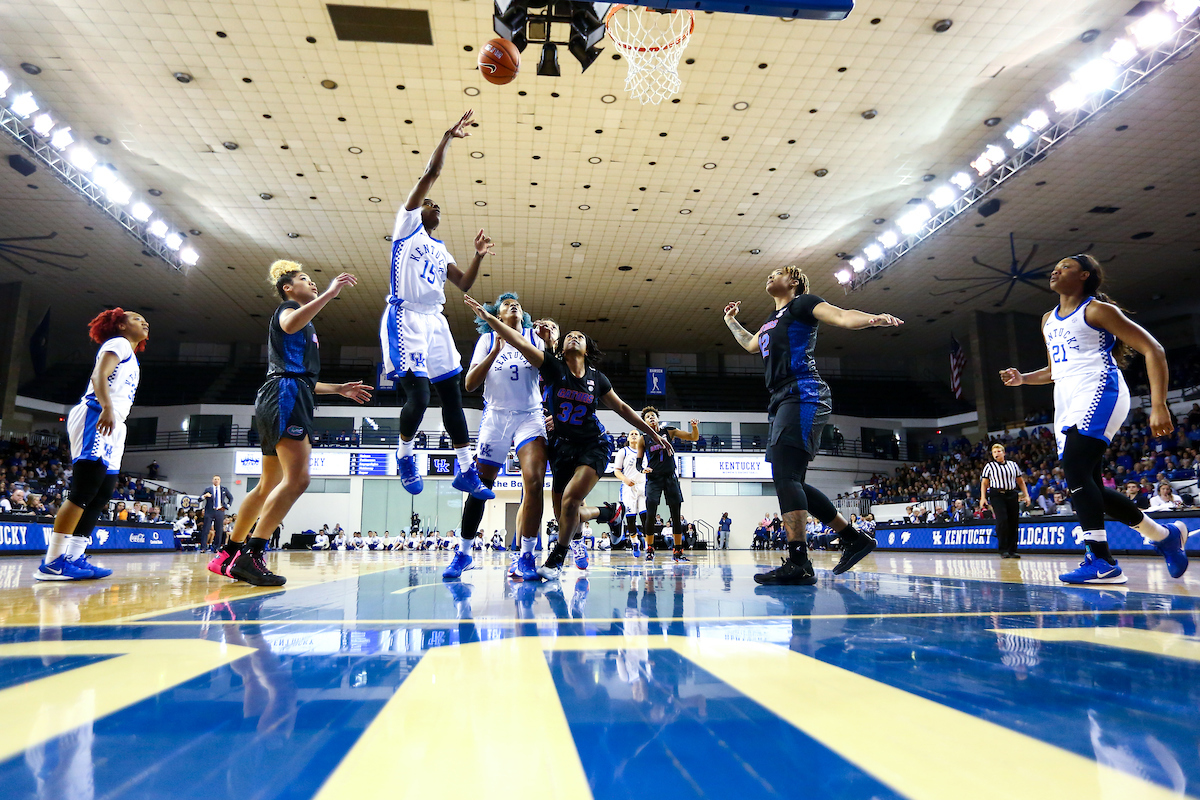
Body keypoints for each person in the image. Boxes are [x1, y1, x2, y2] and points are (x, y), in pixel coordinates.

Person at [1000, 253, 1188, 584]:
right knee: (1090, 487)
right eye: (1055, 266)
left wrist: (1160, 404)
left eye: (1066, 267)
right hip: (1067, 399)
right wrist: (1024, 379)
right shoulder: (1048, 319)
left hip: (1100, 388)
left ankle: (1100, 560)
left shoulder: (1097, 311)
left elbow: (1153, 349)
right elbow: (1056, 370)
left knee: (1073, 468)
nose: (1055, 270)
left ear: (1085, 275)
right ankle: (1163, 536)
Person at [464, 295, 669, 581]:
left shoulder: (590, 375)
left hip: (589, 443)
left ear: (585, 348)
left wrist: (653, 434)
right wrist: (493, 324)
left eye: (577, 336)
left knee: (562, 499)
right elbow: (522, 346)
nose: (572, 337)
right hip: (556, 441)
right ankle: (606, 515)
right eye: (567, 335)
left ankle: (556, 553)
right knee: (560, 509)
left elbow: (622, 408)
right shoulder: (548, 363)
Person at [723, 265, 899, 585]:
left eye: (776, 273)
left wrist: (873, 318)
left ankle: (799, 563)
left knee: (785, 475)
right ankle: (853, 538)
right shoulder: (770, 322)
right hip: (780, 399)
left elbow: (843, 316)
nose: (769, 276)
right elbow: (751, 345)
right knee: (793, 482)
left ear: (793, 281)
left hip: (803, 392)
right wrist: (730, 320)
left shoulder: (803, 304)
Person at [207, 261, 371, 586]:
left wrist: (338, 389)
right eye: (304, 279)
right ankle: (252, 553)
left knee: (268, 484)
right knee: (298, 479)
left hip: (285, 393)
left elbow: (302, 374)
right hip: (285, 396)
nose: (311, 283)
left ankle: (229, 552)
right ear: (288, 288)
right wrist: (329, 293)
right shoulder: (289, 309)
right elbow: (290, 323)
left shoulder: (302, 321)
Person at [381, 109, 494, 503]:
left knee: (452, 396)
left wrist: (478, 255)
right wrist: (446, 139)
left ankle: (466, 470)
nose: (435, 206)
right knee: (421, 397)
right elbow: (430, 175)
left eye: (436, 206)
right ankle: (405, 455)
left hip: (436, 321)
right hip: (406, 316)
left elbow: (462, 282)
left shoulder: (439, 246)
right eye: (430, 203)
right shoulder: (406, 226)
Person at [35, 308, 149, 581]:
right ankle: (52, 561)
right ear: (120, 325)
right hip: (97, 414)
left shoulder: (131, 355)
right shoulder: (118, 343)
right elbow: (99, 375)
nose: (144, 322)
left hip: (115, 422)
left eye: (145, 321)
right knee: (84, 490)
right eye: (136, 319)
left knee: (102, 493)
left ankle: (74, 555)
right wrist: (107, 407)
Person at [444, 293, 549, 580]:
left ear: (523, 314)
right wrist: (495, 352)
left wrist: (547, 342)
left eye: (517, 303)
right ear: (497, 315)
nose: (513, 305)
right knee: (479, 488)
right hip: (496, 417)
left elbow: (547, 370)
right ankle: (464, 553)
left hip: (529, 415)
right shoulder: (487, 340)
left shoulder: (533, 336)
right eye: (506, 304)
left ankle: (526, 554)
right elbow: (469, 384)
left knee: (535, 481)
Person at [636, 410, 699, 562]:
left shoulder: (669, 431)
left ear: (657, 419)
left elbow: (693, 437)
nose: (651, 418)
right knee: (650, 514)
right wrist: (642, 469)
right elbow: (638, 463)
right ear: (644, 422)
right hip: (653, 479)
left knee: (676, 515)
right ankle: (650, 549)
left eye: (653, 416)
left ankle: (677, 551)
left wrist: (694, 427)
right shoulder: (643, 439)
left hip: (670, 477)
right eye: (647, 417)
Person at [980, 442, 1030, 559]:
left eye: (998, 451)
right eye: (994, 452)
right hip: (997, 494)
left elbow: (1020, 481)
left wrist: (1026, 495)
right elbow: (984, 483)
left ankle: (1012, 550)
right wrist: (983, 497)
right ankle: (1003, 549)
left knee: (1013, 521)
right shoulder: (989, 466)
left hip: (1011, 493)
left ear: (1003, 453)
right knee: (1002, 520)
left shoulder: (1012, 465)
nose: (996, 454)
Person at [613, 429, 648, 556]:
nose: (633, 435)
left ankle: (648, 545)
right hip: (629, 488)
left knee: (645, 517)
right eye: (631, 434)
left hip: (643, 486)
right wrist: (625, 479)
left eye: (636, 434)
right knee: (631, 518)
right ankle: (635, 542)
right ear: (627, 438)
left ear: (640, 438)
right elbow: (616, 471)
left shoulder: (645, 451)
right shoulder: (623, 451)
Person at [198, 475, 233, 553]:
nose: (216, 480)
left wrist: (227, 506)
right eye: (215, 479)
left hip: (219, 510)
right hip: (209, 511)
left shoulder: (224, 489)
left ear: (220, 481)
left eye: (218, 479)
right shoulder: (208, 489)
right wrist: (204, 496)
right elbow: (199, 499)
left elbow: (231, 498)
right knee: (206, 529)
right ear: (212, 480)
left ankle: (216, 547)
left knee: (219, 530)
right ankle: (203, 547)